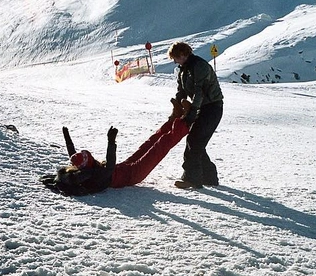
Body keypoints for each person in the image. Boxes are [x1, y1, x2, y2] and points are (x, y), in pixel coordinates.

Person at [40, 99, 191, 196]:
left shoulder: (80, 167)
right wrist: (111, 141)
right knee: (160, 146)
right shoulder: (93, 175)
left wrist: (66, 134)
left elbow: (72, 153)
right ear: (89, 162)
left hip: (124, 168)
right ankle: (186, 120)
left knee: (149, 143)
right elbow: (110, 165)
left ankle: (174, 117)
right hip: (132, 175)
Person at [168, 41, 224, 189]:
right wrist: (178, 103)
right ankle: (209, 177)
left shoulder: (199, 66)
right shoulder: (184, 69)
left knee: (194, 140)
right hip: (202, 108)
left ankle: (192, 178)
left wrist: (192, 112)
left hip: (212, 108)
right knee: (198, 142)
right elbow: (182, 89)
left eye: (176, 58)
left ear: (183, 54)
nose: (174, 61)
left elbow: (200, 92)